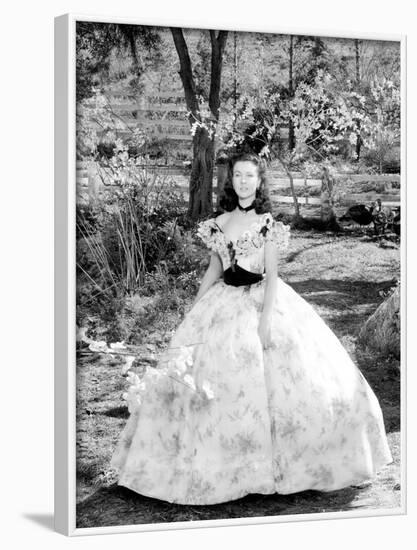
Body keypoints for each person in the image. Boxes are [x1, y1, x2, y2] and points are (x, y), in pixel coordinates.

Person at [110, 152, 392, 505]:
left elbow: (273, 276)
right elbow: (214, 269)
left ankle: (290, 464)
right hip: (223, 301)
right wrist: (194, 308)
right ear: (232, 181)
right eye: (238, 176)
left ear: (259, 182)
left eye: (250, 176)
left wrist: (264, 323)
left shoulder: (268, 223)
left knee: (289, 381)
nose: (243, 181)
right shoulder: (219, 222)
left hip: (260, 301)